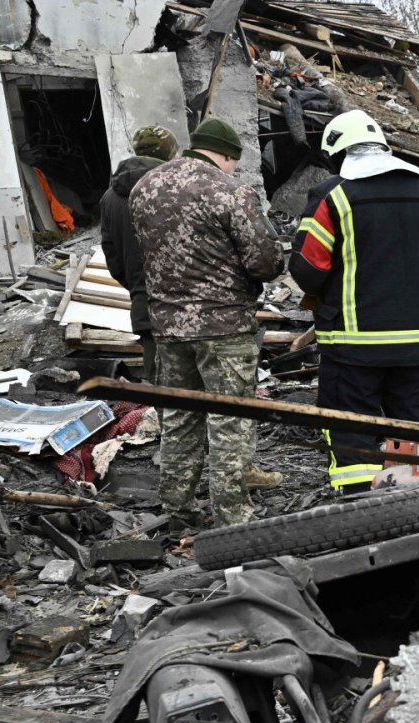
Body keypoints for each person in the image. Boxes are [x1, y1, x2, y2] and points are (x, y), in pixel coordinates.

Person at [289, 110, 419, 493]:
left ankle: (360, 506)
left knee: (353, 430)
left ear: (337, 153)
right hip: (418, 341)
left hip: (354, 345)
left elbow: (307, 268)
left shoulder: (333, 195)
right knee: (417, 425)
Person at [130, 118, 284, 530]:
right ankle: (232, 513)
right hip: (224, 326)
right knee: (228, 419)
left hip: (167, 325)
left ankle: (177, 506)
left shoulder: (145, 186)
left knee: (181, 417)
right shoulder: (228, 190)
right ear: (228, 155)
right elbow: (265, 262)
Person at [99, 125, 177, 382]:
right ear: (170, 154)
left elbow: (112, 255)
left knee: (165, 399)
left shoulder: (110, 197)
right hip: (187, 310)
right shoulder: (175, 188)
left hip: (145, 308)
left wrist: (137, 286)